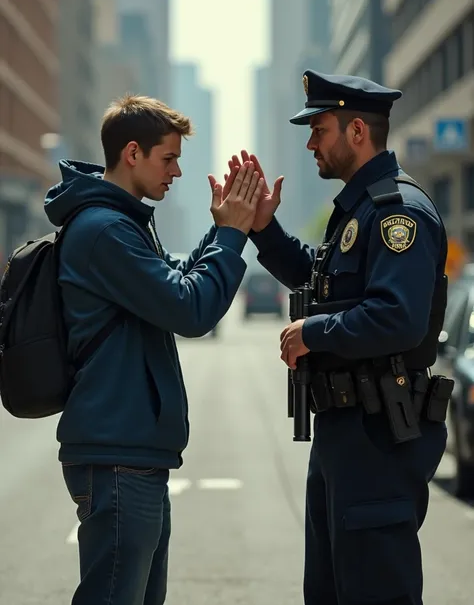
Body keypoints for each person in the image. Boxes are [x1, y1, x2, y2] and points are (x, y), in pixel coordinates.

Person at [223, 70, 449, 605]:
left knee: (374, 591)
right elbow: (318, 280)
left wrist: (313, 332)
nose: (309, 143)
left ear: (356, 133)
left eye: (318, 129)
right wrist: (263, 227)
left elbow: (397, 317)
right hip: (344, 434)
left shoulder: (398, 214)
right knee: (329, 591)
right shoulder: (359, 209)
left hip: (378, 437)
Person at [44, 94, 264, 605]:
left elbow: (175, 287)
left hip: (131, 450)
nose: (178, 172)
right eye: (169, 158)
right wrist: (231, 234)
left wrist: (223, 229)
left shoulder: (122, 223)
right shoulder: (105, 231)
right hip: (117, 453)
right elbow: (190, 311)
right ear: (133, 154)